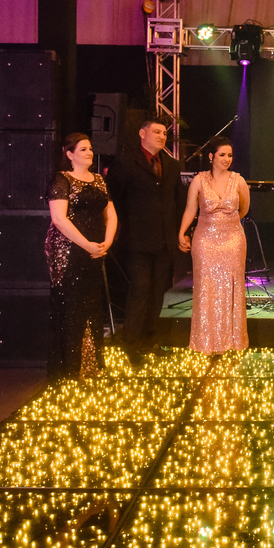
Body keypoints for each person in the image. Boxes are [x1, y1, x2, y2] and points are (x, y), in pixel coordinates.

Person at [106, 116, 185, 368]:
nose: (162, 137)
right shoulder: (126, 162)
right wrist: (116, 232)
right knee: (139, 290)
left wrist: (180, 233)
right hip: (136, 240)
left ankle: (150, 339)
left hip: (164, 240)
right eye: (157, 132)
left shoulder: (171, 165)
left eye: (164, 133)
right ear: (142, 134)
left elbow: (178, 201)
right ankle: (131, 342)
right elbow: (113, 199)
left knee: (158, 291)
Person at [45, 133, 118, 380]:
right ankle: (69, 369)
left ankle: (90, 364)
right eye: (83, 149)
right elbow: (59, 219)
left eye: (90, 149)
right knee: (71, 304)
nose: (89, 153)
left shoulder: (99, 180)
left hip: (95, 249)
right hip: (69, 250)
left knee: (91, 304)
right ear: (70, 154)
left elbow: (111, 213)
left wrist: (107, 241)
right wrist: (87, 245)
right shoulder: (62, 179)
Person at [179, 136, 250, 353]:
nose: (227, 159)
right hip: (205, 239)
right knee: (206, 288)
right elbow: (191, 209)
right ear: (211, 156)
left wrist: (227, 223)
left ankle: (232, 341)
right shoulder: (199, 180)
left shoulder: (238, 180)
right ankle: (206, 341)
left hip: (233, 240)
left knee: (231, 287)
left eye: (230, 155)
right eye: (222, 155)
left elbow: (244, 208)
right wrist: (182, 232)